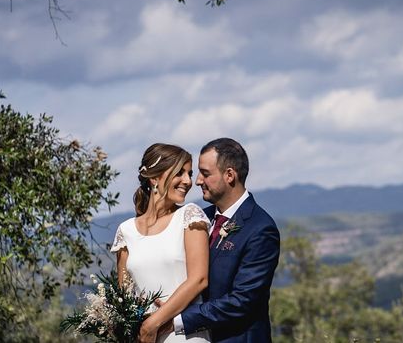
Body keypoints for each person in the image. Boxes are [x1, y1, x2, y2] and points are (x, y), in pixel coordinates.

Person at [169, 138, 281, 343]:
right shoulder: (199, 218)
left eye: (205, 173)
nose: (197, 181)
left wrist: (179, 319)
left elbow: (241, 301)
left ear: (229, 175)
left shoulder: (261, 229)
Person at [111, 143, 212, 343]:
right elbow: (124, 297)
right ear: (154, 178)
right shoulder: (126, 231)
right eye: (179, 173)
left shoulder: (190, 215)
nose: (187, 181)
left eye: (189, 173)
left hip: (186, 336)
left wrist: (153, 323)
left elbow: (199, 279)